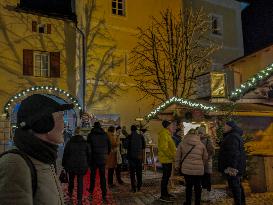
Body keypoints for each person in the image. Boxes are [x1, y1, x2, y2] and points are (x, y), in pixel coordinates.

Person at [0, 94, 74, 204]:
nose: (64, 125)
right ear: (43, 124)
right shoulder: (15, 164)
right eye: (60, 118)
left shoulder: (44, 157)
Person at [175, 128, 208, 205]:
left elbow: (177, 156)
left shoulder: (182, 143)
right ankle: (197, 203)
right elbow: (205, 157)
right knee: (198, 186)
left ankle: (188, 202)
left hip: (186, 169)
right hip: (198, 170)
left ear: (187, 134)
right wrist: (201, 164)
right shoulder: (201, 144)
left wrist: (177, 165)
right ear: (196, 134)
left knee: (188, 186)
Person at [218, 121, 246, 205]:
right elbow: (231, 149)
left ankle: (238, 203)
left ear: (230, 127)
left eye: (225, 126)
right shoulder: (233, 136)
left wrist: (232, 168)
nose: (223, 127)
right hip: (236, 166)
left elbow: (234, 153)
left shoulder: (232, 137)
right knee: (237, 185)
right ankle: (241, 202)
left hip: (233, 167)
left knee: (235, 186)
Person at [62, 127, 91, 205]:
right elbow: (89, 155)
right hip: (82, 165)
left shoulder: (69, 142)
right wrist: (87, 164)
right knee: (80, 182)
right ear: (81, 133)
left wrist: (63, 164)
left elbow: (65, 154)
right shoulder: (85, 143)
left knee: (71, 180)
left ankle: (70, 194)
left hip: (71, 165)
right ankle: (79, 200)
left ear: (74, 133)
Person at [87, 122, 111, 203]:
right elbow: (109, 146)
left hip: (94, 158)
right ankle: (104, 194)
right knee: (102, 177)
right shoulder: (105, 135)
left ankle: (91, 191)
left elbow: (88, 149)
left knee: (92, 176)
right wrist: (106, 154)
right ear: (100, 127)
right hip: (102, 158)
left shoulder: (91, 135)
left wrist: (88, 159)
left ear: (94, 127)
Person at [158, 120, 177, 202]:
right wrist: (172, 156)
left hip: (168, 159)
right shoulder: (164, 134)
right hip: (166, 159)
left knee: (167, 177)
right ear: (168, 126)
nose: (173, 126)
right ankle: (163, 195)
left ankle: (166, 193)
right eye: (171, 125)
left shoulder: (167, 134)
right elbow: (164, 148)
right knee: (165, 178)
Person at [197, 126, 215, 202]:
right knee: (206, 179)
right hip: (206, 162)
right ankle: (206, 195)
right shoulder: (207, 139)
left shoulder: (196, 139)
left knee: (202, 179)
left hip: (200, 162)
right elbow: (212, 150)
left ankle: (203, 195)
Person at [127, 125, 145, 192]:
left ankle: (133, 188)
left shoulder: (129, 136)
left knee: (132, 173)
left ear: (131, 130)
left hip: (131, 157)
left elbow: (125, 146)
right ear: (136, 130)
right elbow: (144, 146)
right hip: (139, 156)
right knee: (139, 172)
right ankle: (139, 186)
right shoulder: (141, 136)